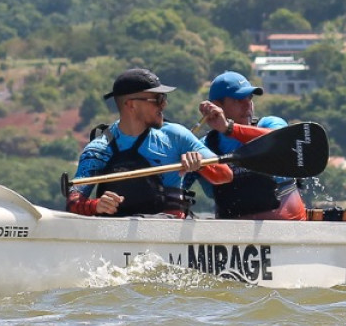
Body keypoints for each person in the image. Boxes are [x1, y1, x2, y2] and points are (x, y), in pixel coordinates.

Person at [68, 68, 234, 217]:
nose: (164, 104)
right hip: (120, 239)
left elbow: (225, 175)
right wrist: (95, 206)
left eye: (164, 98)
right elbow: (73, 202)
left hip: (168, 236)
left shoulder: (176, 136)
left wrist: (200, 164)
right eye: (157, 99)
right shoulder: (99, 149)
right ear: (131, 105)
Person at [195, 70, 304, 220]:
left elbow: (281, 141)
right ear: (217, 106)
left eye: (249, 97)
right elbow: (176, 184)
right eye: (237, 100)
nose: (247, 105)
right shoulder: (203, 147)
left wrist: (229, 129)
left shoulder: (270, 123)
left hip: (287, 230)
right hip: (235, 236)